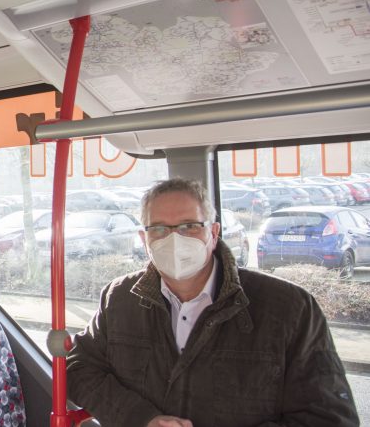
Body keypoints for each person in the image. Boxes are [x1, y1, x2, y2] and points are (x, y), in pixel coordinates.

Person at [66, 178, 358, 427]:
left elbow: (329, 417)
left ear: (214, 233)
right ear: (144, 239)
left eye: (189, 226)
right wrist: (142, 418)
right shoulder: (119, 299)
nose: (174, 239)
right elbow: (79, 369)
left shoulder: (289, 308)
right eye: (159, 229)